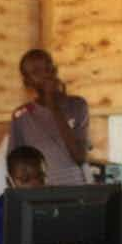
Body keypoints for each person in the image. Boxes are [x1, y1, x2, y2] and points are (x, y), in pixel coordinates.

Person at [10, 49, 89, 185]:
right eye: (35, 72)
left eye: (47, 67)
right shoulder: (22, 116)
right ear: (27, 82)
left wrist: (54, 107)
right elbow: (16, 166)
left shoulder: (77, 105)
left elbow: (80, 157)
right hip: (42, 194)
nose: (45, 75)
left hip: (76, 190)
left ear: (55, 69)